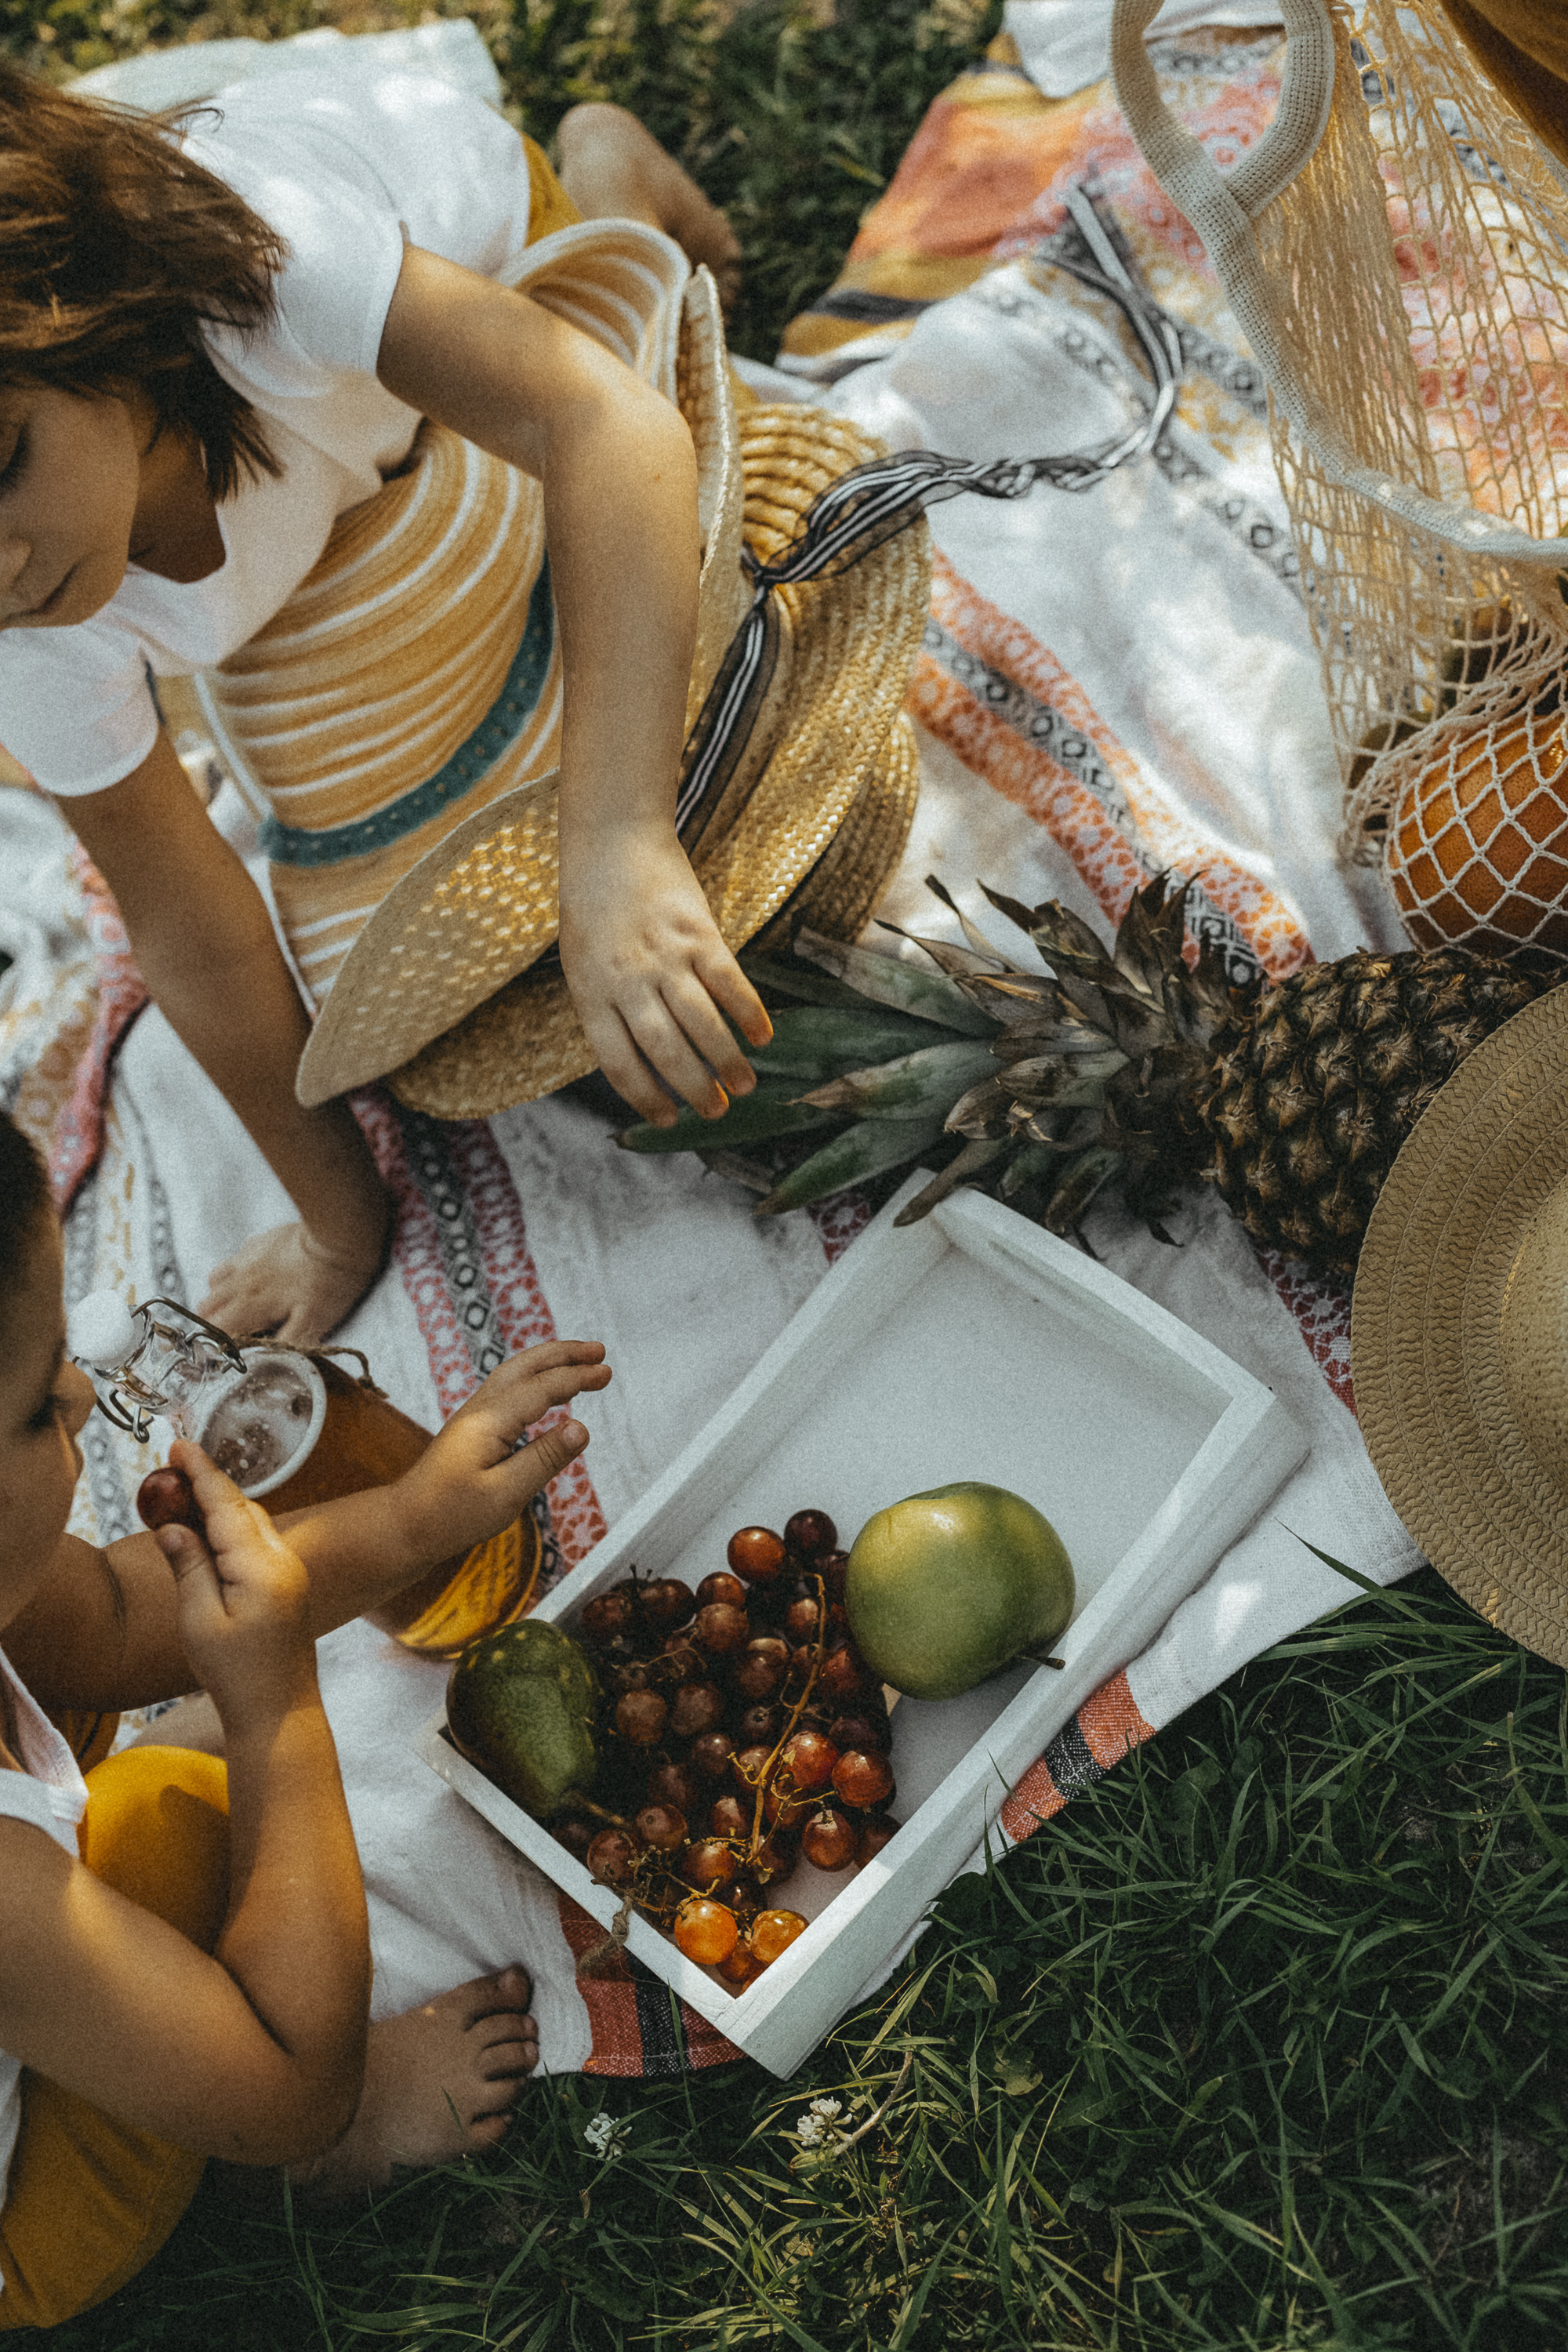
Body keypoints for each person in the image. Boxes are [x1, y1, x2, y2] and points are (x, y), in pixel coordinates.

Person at [0, 64, 769, 1347]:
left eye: (4, 460)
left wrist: (617, 844)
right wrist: (337, 1221)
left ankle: (605, 170)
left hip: (481, 289)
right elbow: (187, 918)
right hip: (333, 479)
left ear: (94, 309)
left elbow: (600, 423)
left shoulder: (269, 249)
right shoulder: (24, 614)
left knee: (653, 424)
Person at [0, 1107, 613, 2327]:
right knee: (175, 1814)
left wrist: (412, 1519)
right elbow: (284, 2084)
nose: (77, 1391)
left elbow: (113, 1617)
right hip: (31, 2225)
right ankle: (296, 2163)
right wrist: (273, 1702)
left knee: (73, 1671)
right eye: (29, 1407)